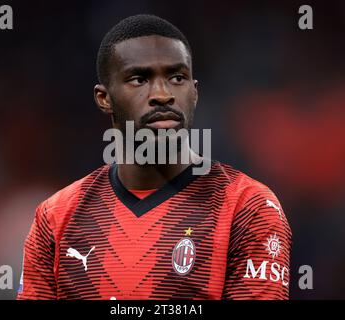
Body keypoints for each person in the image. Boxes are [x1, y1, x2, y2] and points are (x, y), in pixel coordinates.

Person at [17, 14, 292, 300]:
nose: (162, 94)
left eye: (176, 78)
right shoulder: (56, 217)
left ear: (194, 92)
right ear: (104, 98)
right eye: (139, 79)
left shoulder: (247, 207)